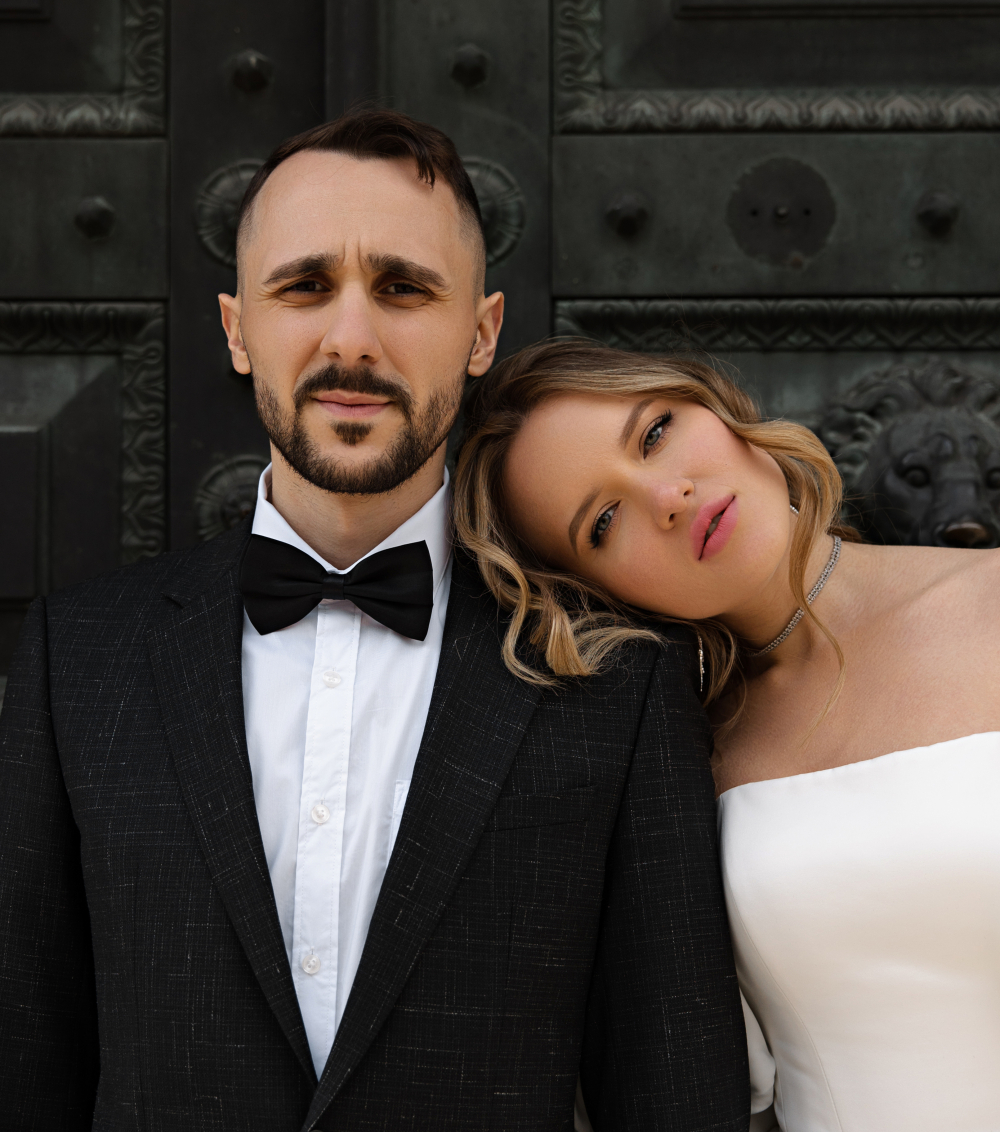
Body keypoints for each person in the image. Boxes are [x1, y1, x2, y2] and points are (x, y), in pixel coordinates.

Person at [0, 112, 749, 1131]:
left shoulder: (617, 678)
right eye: (304, 286)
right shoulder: (77, 659)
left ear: (481, 331)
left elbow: (675, 1090)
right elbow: (26, 1061)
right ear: (236, 329)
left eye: (402, 288)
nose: (351, 339)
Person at [454, 336, 1000, 1132]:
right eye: (604, 521)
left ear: (714, 404)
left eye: (655, 432)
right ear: (593, 591)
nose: (667, 496)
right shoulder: (666, 769)